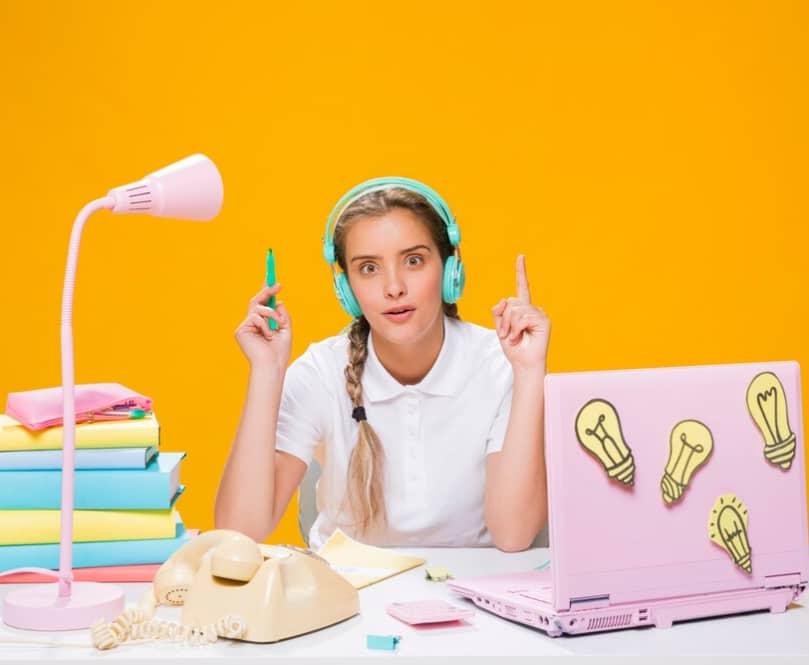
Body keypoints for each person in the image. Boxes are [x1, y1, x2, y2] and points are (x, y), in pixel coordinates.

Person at [215, 177, 550, 551]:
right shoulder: (321, 372)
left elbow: (514, 535)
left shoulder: (500, 364)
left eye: (413, 261)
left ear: (450, 271)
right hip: (346, 596)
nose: (393, 287)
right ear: (347, 290)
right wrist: (267, 370)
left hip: (472, 593)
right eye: (369, 268)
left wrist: (530, 371)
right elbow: (239, 531)